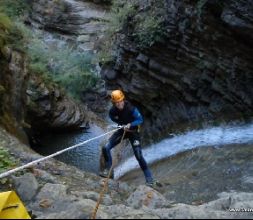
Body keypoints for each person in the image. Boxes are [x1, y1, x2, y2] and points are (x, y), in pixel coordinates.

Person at [100, 89, 157, 187]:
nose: (119, 104)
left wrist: (130, 124)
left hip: (133, 132)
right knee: (106, 147)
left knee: (138, 154)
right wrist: (120, 124)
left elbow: (140, 119)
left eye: (120, 101)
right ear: (114, 103)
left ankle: (150, 179)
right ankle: (110, 173)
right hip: (122, 130)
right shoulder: (113, 111)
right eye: (116, 103)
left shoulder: (131, 109)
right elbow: (112, 116)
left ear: (123, 100)